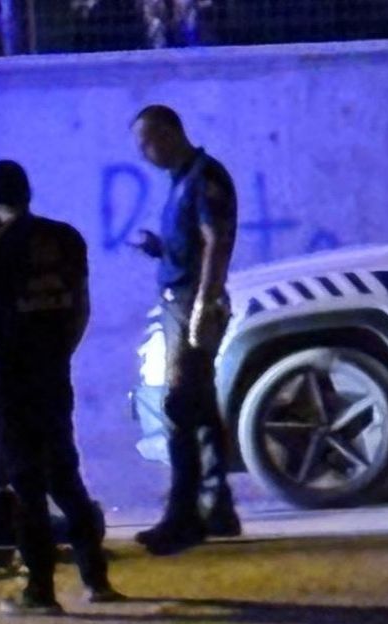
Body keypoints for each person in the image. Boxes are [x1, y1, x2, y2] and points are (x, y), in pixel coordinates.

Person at [0, 160, 123, 615]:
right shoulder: (67, 238)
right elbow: (81, 307)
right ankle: (96, 578)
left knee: (26, 484)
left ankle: (40, 589)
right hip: (53, 372)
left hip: (9, 377)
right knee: (65, 474)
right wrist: (60, 353)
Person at [127, 104, 242, 555]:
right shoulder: (181, 181)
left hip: (190, 303)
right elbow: (193, 244)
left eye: (148, 142)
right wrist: (162, 251)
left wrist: (204, 304)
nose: (144, 152)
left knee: (179, 405)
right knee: (200, 405)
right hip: (180, 297)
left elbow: (217, 242)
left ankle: (183, 515)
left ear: (171, 132)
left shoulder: (204, 177)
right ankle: (217, 506)